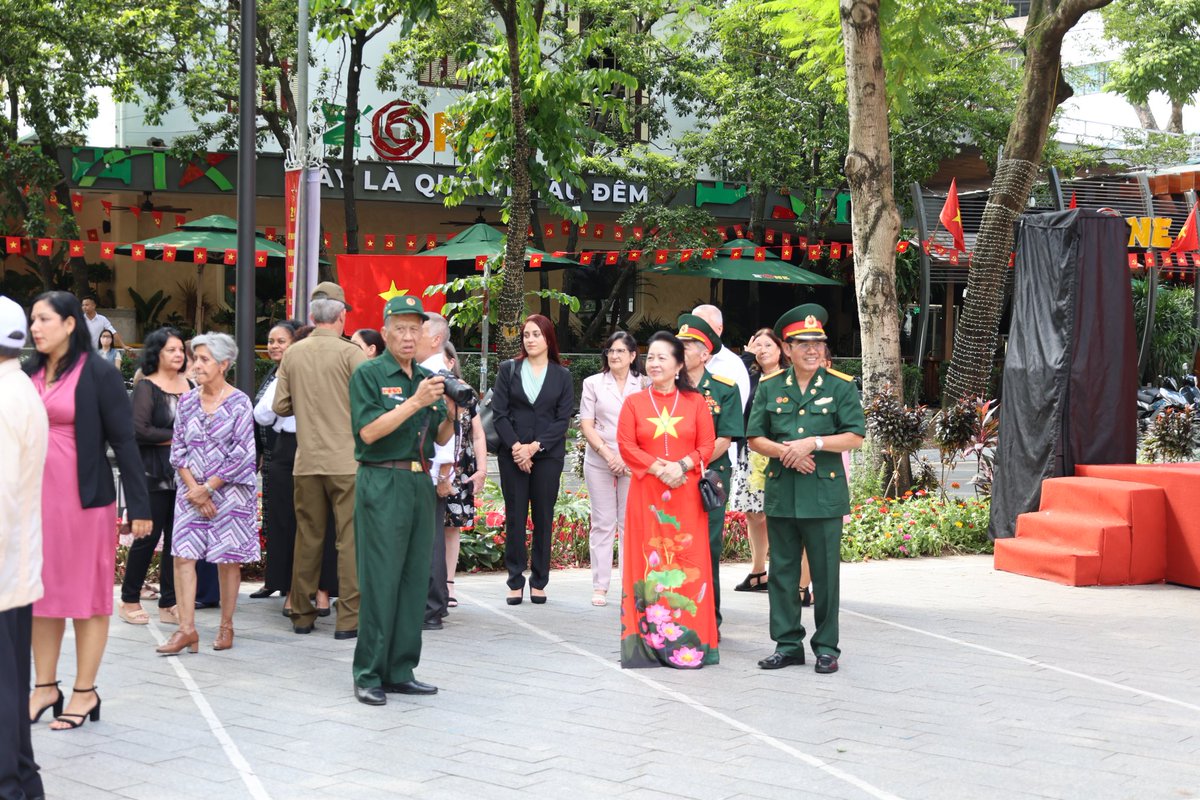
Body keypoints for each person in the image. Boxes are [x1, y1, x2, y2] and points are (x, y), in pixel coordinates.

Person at [25, 291, 151, 731]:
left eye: (43, 320)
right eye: (32, 320)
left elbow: (124, 440)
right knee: (40, 596)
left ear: (70, 324)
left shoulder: (98, 373)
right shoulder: (30, 371)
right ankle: (44, 686)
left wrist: (139, 504)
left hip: (83, 502)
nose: (35, 327)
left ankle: (84, 690)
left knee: (85, 598)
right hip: (34, 503)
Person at [348, 294, 456, 706]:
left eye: (416, 329)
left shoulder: (422, 380)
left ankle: (400, 669)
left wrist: (450, 409)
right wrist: (415, 402)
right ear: (386, 330)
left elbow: (440, 437)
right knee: (380, 579)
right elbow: (368, 433)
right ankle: (369, 672)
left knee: (414, 580)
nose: (409, 337)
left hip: (417, 482)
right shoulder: (370, 374)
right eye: (401, 328)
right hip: (381, 479)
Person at [746, 304, 864, 675]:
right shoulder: (769, 386)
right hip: (784, 491)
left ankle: (827, 647)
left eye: (819, 343)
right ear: (787, 347)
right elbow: (754, 436)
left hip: (823, 495)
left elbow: (855, 436)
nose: (813, 350)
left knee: (826, 575)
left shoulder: (841, 385)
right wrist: (786, 451)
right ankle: (787, 644)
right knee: (781, 571)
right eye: (804, 344)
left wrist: (812, 443)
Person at [617, 332, 717, 668]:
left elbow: (707, 444)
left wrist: (682, 466)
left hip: (686, 494)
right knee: (647, 559)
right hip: (646, 493)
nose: (654, 363)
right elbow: (626, 445)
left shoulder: (695, 402)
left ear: (677, 365)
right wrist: (659, 467)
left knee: (688, 564)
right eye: (651, 357)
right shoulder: (634, 402)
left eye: (662, 357)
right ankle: (645, 645)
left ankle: (689, 644)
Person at [273, 282, 367, 639]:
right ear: (342, 315)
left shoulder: (293, 354)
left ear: (312, 316)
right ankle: (348, 620)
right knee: (349, 541)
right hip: (347, 462)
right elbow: (369, 404)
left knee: (308, 538)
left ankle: (301, 614)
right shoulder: (351, 354)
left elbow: (280, 406)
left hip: (306, 460)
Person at [156, 333, 258, 655]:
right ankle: (186, 630)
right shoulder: (187, 401)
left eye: (203, 359)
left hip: (230, 493)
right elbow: (179, 451)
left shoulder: (240, 402)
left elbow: (243, 454)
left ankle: (226, 625)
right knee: (183, 557)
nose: (195, 364)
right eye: (194, 358)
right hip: (191, 493)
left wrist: (208, 488)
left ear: (224, 364)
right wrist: (194, 489)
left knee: (227, 561)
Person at [250, 321, 337, 616]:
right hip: (289, 447)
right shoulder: (287, 373)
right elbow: (260, 414)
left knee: (323, 523)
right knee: (287, 521)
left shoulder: (339, 372)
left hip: (328, 448)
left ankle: (323, 592)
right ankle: (291, 590)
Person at [0, 295, 49, 797]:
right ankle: (20, 779)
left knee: (4, 686)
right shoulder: (19, 389)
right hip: (14, 567)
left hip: (3, 566)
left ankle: (11, 784)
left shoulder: (4, 399)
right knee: (10, 683)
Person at [491, 314, 574, 605]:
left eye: (536, 334)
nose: (530, 339)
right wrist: (517, 447)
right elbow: (499, 413)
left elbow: (562, 419)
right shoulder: (508, 369)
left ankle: (539, 581)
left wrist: (534, 448)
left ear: (548, 338)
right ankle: (515, 580)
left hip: (548, 456)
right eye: (526, 334)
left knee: (543, 517)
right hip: (511, 454)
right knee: (515, 517)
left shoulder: (561, 375)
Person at [117, 327, 191, 628]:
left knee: (178, 540)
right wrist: (180, 438)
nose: (178, 355)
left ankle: (169, 602)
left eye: (180, 350)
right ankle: (130, 598)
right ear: (156, 354)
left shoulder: (190, 384)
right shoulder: (147, 387)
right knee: (147, 538)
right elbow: (139, 431)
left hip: (186, 477)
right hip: (154, 473)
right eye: (171, 350)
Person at [676, 313, 743, 627]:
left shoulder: (723, 389)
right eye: (680, 343)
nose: (683, 348)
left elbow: (724, 439)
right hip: (670, 478)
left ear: (706, 354)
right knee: (673, 543)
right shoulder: (666, 389)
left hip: (709, 477)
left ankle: (708, 615)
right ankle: (675, 608)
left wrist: (687, 464)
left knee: (707, 546)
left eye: (690, 344)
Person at [578, 331, 643, 607]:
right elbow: (586, 424)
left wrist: (627, 458)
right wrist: (608, 454)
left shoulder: (645, 383)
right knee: (602, 523)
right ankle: (600, 586)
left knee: (630, 524)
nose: (614, 356)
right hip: (599, 459)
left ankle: (631, 585)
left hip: (634, 462)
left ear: (632, 355)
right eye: (610, 351)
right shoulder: (593, 383)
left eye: (620, 351)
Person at [731, 328, 789, 594]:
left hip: (779, 454)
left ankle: (782, 573)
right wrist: (745, 357)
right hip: (750, 453)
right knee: (754, 515)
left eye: (769, 344)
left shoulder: (790, 378)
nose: (763, 349)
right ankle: (757, 572)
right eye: (758, 345)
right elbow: (731, 390)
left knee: (777, 515)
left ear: (781, 350)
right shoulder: (748, 377)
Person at [438, 342, 487, 612]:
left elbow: (477, 434)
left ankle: (449, 583)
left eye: (444, 360)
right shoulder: (426, 388)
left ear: (451, 362)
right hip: (433, 466)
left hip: (460, 467)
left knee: (451, 527)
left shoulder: (464, 391)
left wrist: (481, 469)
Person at [416, 311, 455, 629]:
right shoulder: (425, 371)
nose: (412, 337)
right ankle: (434, 603)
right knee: (428, 539)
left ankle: (431, 607)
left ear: (437, 339)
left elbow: (447, 428)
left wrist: (443, 475)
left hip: (431, 470)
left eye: (420, 331)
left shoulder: (436, 375)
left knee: (428, 540)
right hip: (427, 468)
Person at [691, 304, 750, 413]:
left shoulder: (733, 365)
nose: (696, 331)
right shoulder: (678, 361)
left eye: (703, 325)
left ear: (719, 329)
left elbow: (734, 415)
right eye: (693, 325)